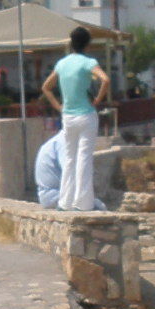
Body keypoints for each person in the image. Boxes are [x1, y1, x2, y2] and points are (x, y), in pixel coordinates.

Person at [40, 28, 110, 210]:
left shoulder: (62, 64)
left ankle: (65, 202)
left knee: (70, 158)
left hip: (68, 116)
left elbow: (46, 87)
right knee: (84, 158)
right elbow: (105, 80)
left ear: (71, 43)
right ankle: (83, 203)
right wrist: (98, 99)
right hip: (86, 115)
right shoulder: (89, 62)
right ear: (88, 44)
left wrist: (58, 106)